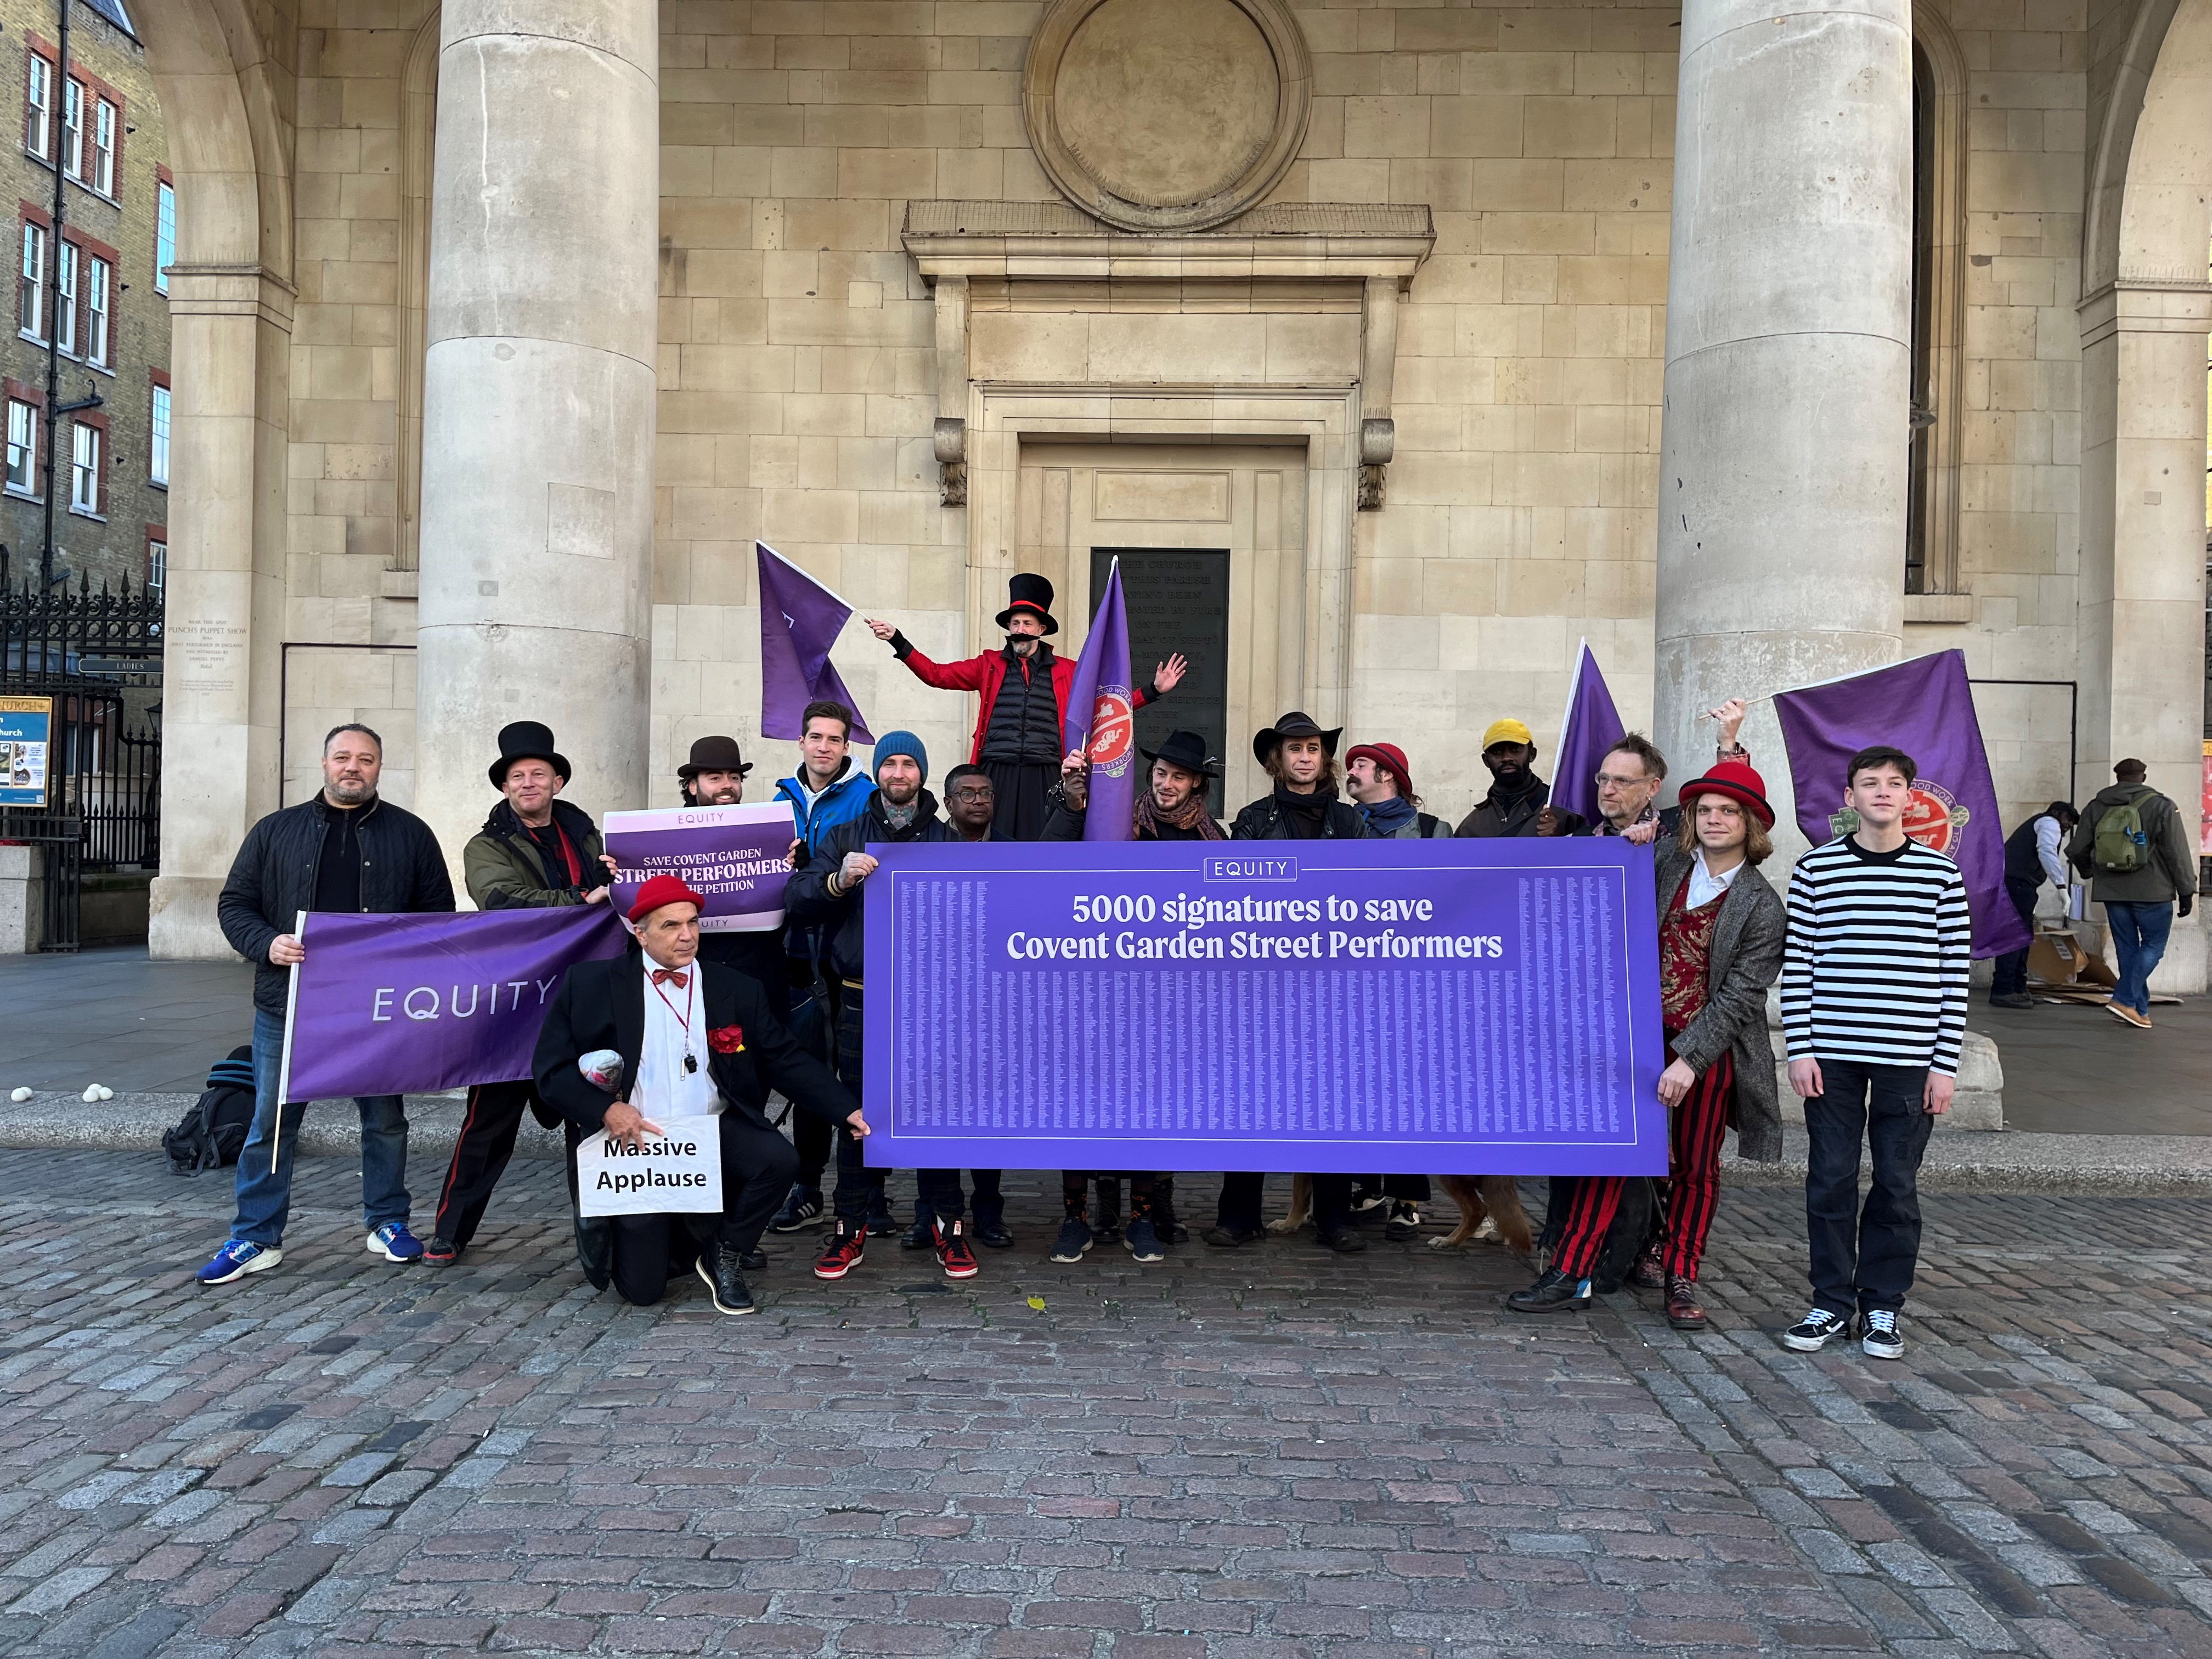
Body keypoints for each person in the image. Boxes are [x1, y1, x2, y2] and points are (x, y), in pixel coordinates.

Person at [1506, 760, 1786, 1326]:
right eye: (1704, 810)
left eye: (1728, 812)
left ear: (1751, 825)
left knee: (1695, 1167)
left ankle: (1680, 1275)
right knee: (1607, 1154)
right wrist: (1629, 840)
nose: (1714, 820)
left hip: (1706, 1053)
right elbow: (1603, 877)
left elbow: (1739, 998)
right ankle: (1571, 1271)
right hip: (1634, 1040)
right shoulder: (1663, 863)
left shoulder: (1763, 906)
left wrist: (1690, 1059)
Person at [533, 875, 870, 1314]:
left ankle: (725, 1251)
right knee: (643, 1291)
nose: (687, 936)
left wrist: (846, 1110)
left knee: (779, 1160)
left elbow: (786, 1060)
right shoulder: (591, 985)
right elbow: (550, 1071)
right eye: (671, 926)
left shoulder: (736, 987)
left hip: (711, 1128)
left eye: (693, 923)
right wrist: (606, 1109)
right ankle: (687, 1235)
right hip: (638, 1140)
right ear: (640, 933)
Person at [198, 724, 455, 1285]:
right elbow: (235, 903)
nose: (352, 768)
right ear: (323, 763)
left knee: (386, 1121)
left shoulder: (411, 835)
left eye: (365, 759)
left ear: (380, 768)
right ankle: (255, 1235)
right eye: (343, 757)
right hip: (288, 1006)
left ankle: (387, 1221)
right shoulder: (274, 831)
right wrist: (266, 943)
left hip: (377, 1010)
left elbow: (437, 916)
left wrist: (403, 958)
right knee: (271, 1124)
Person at [1779, 746, 1971, 1361]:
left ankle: (1883, 1306)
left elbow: (1953, 975)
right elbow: (1801, 966)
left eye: (1894, 784)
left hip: (1909, 1056)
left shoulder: (1941, 876)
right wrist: (1799, 1050)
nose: (1883, 792)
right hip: (1831, 1056)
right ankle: (1830, 1303)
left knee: (1895, 1183)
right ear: (1850, 798)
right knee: (1830, 1180)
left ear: (1911, 797)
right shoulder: (1816, 870)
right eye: (1870, 783)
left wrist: (1944, 1064)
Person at [425, 721, 614, 1268]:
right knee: (488, 1125)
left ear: (556, 780)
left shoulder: (590, 837)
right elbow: (503, 900)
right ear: (505, 787)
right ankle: (450, 1231)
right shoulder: (485, 845)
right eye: (517, 776)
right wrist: (583, 898)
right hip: (515, 1002)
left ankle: (598, 1240)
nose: (528, 783)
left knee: (592, 1121)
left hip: (581, 1003)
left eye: (538, 774)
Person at [785, 732, 967, 1280]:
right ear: (878, 772)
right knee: (859, 1114)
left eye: (909, 763)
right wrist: (839, 880)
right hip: (862, 996)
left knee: (937, 1113)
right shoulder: (844, 835)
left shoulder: (947, 841)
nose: (899, 772)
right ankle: (850, 1228)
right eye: (890, 762)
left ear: (922, 774)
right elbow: (798, 900)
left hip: (929, 1000)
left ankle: (948, 1227)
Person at [1046, 726, 1225, 1253]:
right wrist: (1074, 801)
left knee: (1154, 1106)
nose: (1167, 784)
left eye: (1179, 777)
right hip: (1100, 987)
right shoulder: (1114, 820)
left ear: (1197, 784)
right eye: (1161, 774)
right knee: (1082, 1103)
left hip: (1170, 996)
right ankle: (1076, 1215)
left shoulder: (1211, 838)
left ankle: (1144, 1216)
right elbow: (1053, 857)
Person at [1213, 714, 1375, 1251]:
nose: (1304, 757)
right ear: (1275, 761)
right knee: (1251, 1098)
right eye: (1294, 749)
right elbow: (1237, 900)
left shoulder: (1351, 823)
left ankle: (1334, 1217)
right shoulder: (1253, 820)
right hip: (1263, 984)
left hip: (1331, 986)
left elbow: (1367, 898)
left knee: (1330, 1102)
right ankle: (1239, 1215)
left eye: (1313, 749)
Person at [865, 574, 1188, 839]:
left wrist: (1153, 690)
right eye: (1016, 623)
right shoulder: (987, 664)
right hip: (996, 771)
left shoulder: (1069, 670)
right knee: (994, 843)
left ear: (1041, 629)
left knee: (1042, 845)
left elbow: (1109, 709)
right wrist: (898, 640)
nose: (1020, 629)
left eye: (1027, 623)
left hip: (1046, 772)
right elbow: (936, 675)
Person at [768, 701, 878, 1235]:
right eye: (816, 737)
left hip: (844, 954)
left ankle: (866, 1195)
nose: (824, 747)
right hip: (791, 951)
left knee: (858, 1078)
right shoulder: (779, 798)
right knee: (809, 1077)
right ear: (802, 741)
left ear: (846, 748)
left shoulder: (867, 798)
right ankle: (807, 1187)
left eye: (834, 740)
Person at [899, 763, 1013, 1252]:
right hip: (935, 1001)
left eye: (985, 792)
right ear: (948, 804)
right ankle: (930, 1212)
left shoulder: (1014, 852)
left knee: (988, 1112)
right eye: (966, 793)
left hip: (995, 1001)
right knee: (934, 1109)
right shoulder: (922, 851)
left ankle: (989, 1209)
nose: (978, 800)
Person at [2069, 760, 2196, 1030]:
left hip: (2113, 891)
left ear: (2117, 778)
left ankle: (2139, 1010)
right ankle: (2124, 999)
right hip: (2154, 891)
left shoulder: (2096, 806)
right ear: (2143, 777)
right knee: (2153, 947)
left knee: (2128, 949)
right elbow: (2177, 853)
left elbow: (2078, 848)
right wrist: (2187, 890)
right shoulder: (2162, 806)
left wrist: (2089, 871)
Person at [674, 733, 792, 1013]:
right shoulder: (667, 840)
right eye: (715, 778)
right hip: (694, 976)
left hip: (759, 979)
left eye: (735, 777)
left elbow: (792, 902)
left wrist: (800, 864)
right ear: (692, 786)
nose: (727, 785)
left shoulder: (766, 835)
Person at [1990, 800, 2079, 1009]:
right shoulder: (2049, 823)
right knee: (2015, 937)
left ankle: (2018, 988)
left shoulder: (2041, 823)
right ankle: (2003, 990)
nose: (2068, 826)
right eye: (2068, 819)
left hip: (2018, 884)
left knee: (2023, 936)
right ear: (2057, 813)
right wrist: (2061, 886)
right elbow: (2046, 852)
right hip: (2017, 884)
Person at [1456, 719, 1586, 838]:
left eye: (1515, 749)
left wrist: (1561, 841)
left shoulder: (1566, 810)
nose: (1507, 758)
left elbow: (1591, 855)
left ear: (1532, 754)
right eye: (1497, 752)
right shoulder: (1470, 828)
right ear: (1486, 761)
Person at [1344, 742, 1453, 839]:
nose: (1350, 772)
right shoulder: (1339, 823)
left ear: (1386, 775)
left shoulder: (1433, 831)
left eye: (1361, 766)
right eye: (1352, 767)